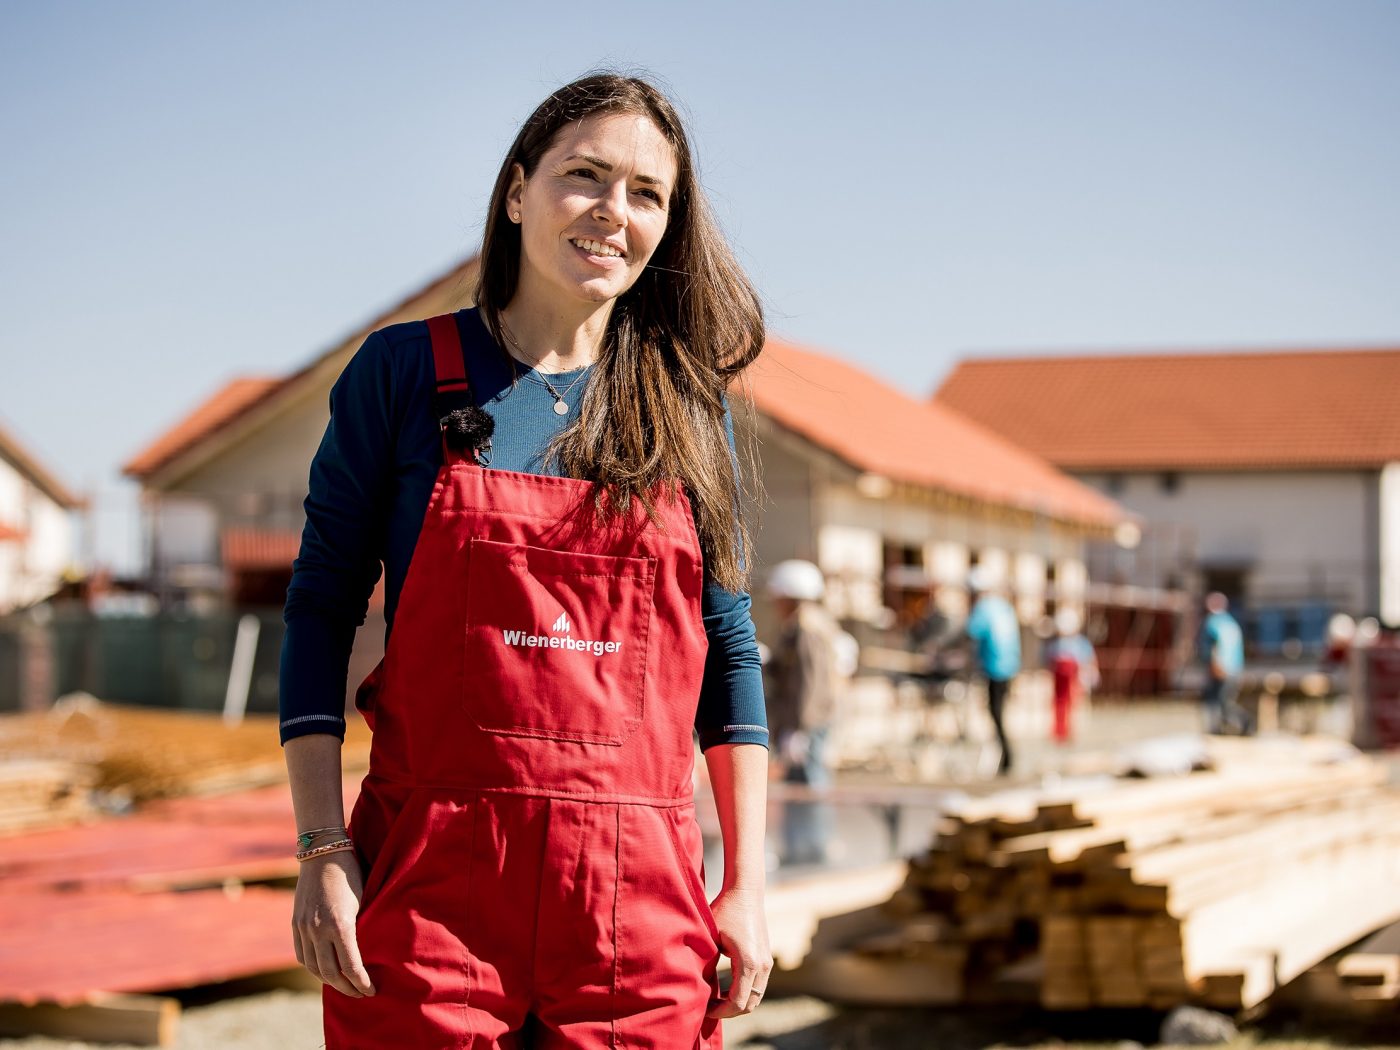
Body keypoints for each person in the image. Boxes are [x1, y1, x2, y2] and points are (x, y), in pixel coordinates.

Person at [279, 74, 773, 1047]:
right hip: (432, 885)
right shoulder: (402, 373)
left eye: (645, 193)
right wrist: (320, 848)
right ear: (515, 192)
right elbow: (319, 610)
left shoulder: (686, 404)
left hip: (636, 897)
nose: (611, 211)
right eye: (583, 175)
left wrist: (747, 884)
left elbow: (729, 649)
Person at [762, 559, 849, 866]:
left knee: (811, 785)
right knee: (797, 786)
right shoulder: (800, 625)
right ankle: (799, 847)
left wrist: (800, 730)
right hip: (802, 722)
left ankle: (819, 846)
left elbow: (810, 685)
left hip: (807, 723)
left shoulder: (807, 629)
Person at [964, 567, 1021, 775]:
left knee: (995, 713)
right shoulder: (1004, 607)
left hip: (994, 668)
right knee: (998, 713)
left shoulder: (984, 609)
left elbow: (969, 633)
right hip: (1009, 667)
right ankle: (1005, 757)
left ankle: (1006, 757)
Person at [1043, 608, 1098, 744]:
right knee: (1059, 706)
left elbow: (1088, 660)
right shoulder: (1055, 645)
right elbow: (1048, 661)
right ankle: (1059, 732)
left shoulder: (1079, 643)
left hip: (1073, 682)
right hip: (1060, 684)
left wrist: (1089, 675)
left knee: (1073, 706)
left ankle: (1070, 733)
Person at [1200, 591, 1251, 735]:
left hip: (1220, 668)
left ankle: (1241, 723)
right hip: (1233, 668)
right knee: (1225, 702)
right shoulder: (1231, 622)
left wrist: (1215, 666)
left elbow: (1214, 647)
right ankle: (1229, 727)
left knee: (1216, 702)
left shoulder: (1213, 623)